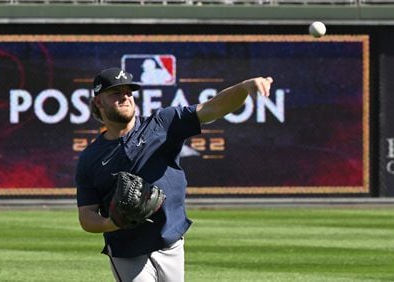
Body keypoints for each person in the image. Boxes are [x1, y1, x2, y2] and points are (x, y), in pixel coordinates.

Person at [75, 67, 272, 281]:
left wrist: (244, 87)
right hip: (126, 249)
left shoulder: (162, 123)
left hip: (170, 240)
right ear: (98, 102)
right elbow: (87, 217)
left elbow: (213, 108)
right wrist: (114, 223)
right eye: (116, 93)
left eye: (129, 93)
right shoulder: (90, 158)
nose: (125, 97)